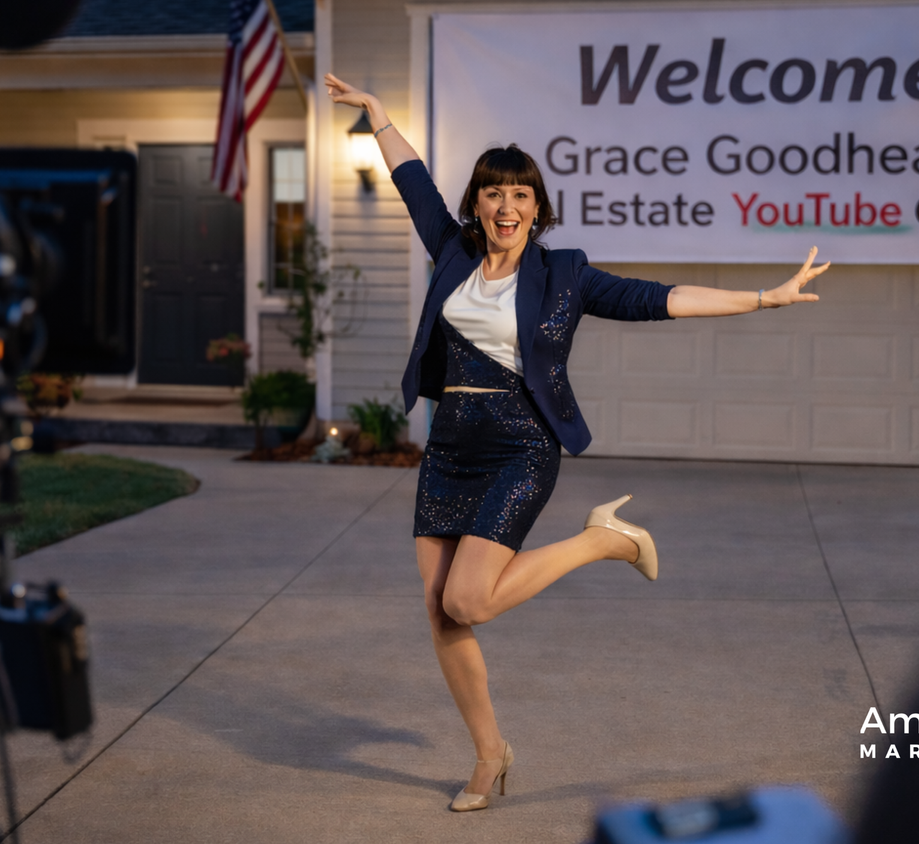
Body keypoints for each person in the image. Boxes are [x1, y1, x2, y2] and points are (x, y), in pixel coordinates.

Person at [324, 72, 830, 813]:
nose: (506, 205)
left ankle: (601, 542)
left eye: (520, 194)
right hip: (450, 449)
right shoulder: (452, 251)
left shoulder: (565, 273)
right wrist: (376, 113)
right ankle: (489, 753)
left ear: (538, 208)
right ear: (476, 204)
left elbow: (657, 299)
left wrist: (762, 298)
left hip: (521, 448)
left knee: (469, 600)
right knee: (440, 612)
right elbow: (413, 182)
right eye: (493, 193)